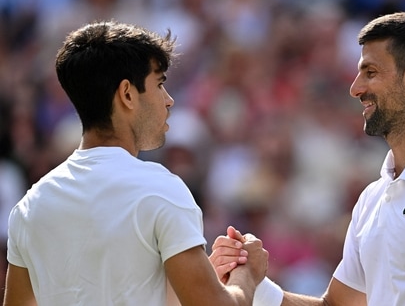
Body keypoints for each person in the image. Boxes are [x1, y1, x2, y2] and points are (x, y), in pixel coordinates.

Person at [210, 12, 405, 305]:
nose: (355, 88)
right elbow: (335, 305)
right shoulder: (371, 199)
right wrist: (254, 283)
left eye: (371, 72)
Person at [3, 20, 268, 306]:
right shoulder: (161, 188)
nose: (169, 101)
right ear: (127, 94)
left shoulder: (29, 208)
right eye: (159, 84)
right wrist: (247, 276)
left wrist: (202, 280)